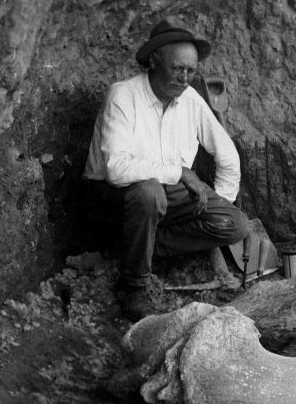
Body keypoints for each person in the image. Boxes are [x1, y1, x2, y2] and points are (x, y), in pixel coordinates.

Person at [83, 19, 248, 321]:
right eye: (177, 69)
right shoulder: (123, 95)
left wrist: (219, 203)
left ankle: (141, 246)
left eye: (191, 71)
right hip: (116, 197)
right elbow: (115, 169)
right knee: (148, 192)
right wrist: (181, 173)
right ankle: (133, 286)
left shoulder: (190, 99)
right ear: (155, 60)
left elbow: (226, 155)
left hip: (166, 197)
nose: (185, 78)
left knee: (234, 224)